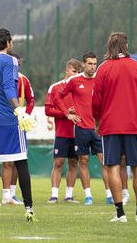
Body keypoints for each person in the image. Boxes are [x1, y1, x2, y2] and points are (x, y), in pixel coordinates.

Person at [0, 28, 35, 222]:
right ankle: (29, 210)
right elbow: (9, 88)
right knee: (21, 161)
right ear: (7, 43)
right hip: (8, 120)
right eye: (12, 42)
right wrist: (19, 110)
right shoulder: (10, 60)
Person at [92, 32, 137, 223]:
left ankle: (120, 214)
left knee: (113, 167)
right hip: (133, 125)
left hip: (110, 125)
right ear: (127, 45)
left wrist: (97, 121)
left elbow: (96, 100)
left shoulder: (103, 69)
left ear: (110, 46)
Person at [59, 52, 111, 205]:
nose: (93, 66)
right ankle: (88, 195)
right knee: (83, 160)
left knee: (105, 161)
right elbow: (59, 96)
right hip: (81, 128)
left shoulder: (101, 80)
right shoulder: (74, 80)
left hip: (98, 129)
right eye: (89, 63)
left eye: (95, 63)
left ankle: (109, 194)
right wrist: (67, 113)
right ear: (83, 64)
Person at [44, 58, 81, 204]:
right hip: (62, 133)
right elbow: (48, 110)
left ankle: (69, 195)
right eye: (73, 71)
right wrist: (65, 112)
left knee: (74, 162)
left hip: (78, 132)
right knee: (58, 162)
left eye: (78, 72)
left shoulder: (81, 86)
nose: (76, 74)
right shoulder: (55, 88)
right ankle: (54, 195)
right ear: (67, 70)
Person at [2, 54, 35, 205]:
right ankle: (4, 194)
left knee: (18, 159)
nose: (17, 66)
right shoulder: (1, 77)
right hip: (3, 122)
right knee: (5, 161)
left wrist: (25, 115)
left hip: (18, 124)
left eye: (19, 64)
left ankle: (12, 194)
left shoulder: (24, 80)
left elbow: (31, 99)